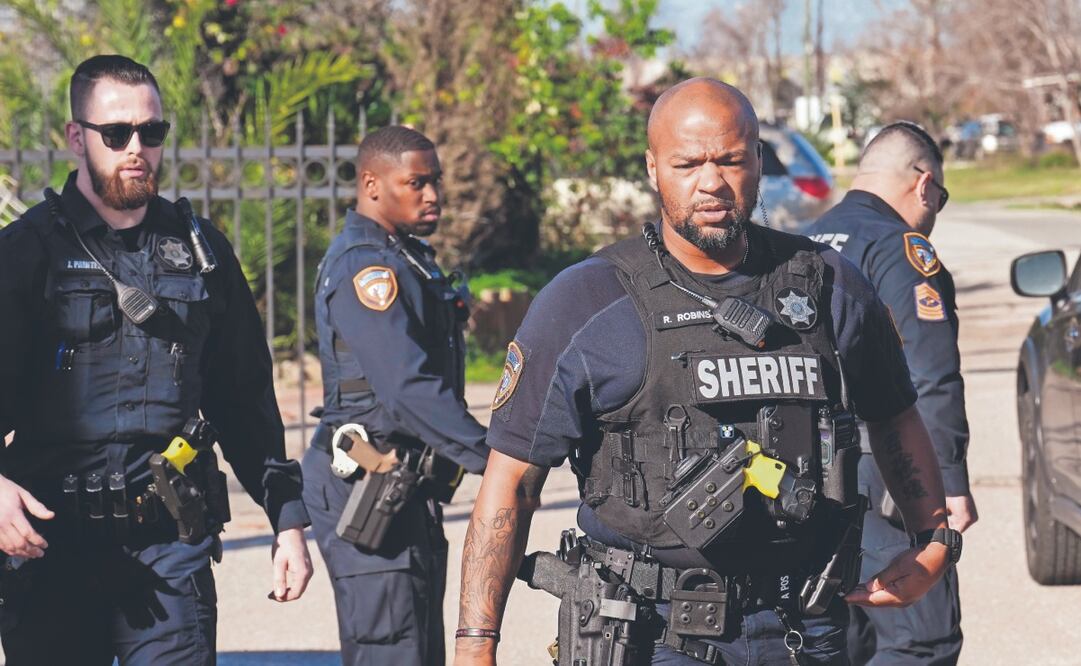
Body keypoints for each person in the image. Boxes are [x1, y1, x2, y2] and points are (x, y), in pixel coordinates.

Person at [454, 78, 960, 666]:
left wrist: (932, 539)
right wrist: (475, 644)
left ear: (758, 161)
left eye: (731, 160)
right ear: (653, 168)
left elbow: (895, 414)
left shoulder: (830, 283)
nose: (711, 181)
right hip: (649, 632)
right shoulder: (585, 302)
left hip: (804, 626)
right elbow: (512, 480)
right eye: (688, 163)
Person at [0, 55, 312, 665]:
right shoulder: (25, 253)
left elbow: (244, 399)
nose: (136, 149)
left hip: (170, 541)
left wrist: (288, 519)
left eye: (152, 131)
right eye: (116, 133)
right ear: (76, 137)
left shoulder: (201, 253)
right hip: (50, 547)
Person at [303, 125, 490, 665]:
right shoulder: (367, 266)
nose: (432, 195)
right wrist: (492, 458)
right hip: (367, 486)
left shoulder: (405, 257)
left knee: (419, 650)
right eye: (416, 183)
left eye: (436, 181)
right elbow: (406, 387)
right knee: (392, 652)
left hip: (405, 487)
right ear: (372, 184)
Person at [807, 122, 976, 665]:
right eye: (940, 198)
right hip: (885, 476)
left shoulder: (807, 241)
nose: (935, 211)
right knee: (922, 639)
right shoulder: (900, 248)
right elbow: (929, 376)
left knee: (840, 641)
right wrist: (947, 486)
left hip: (805, 476)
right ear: (923, 184)